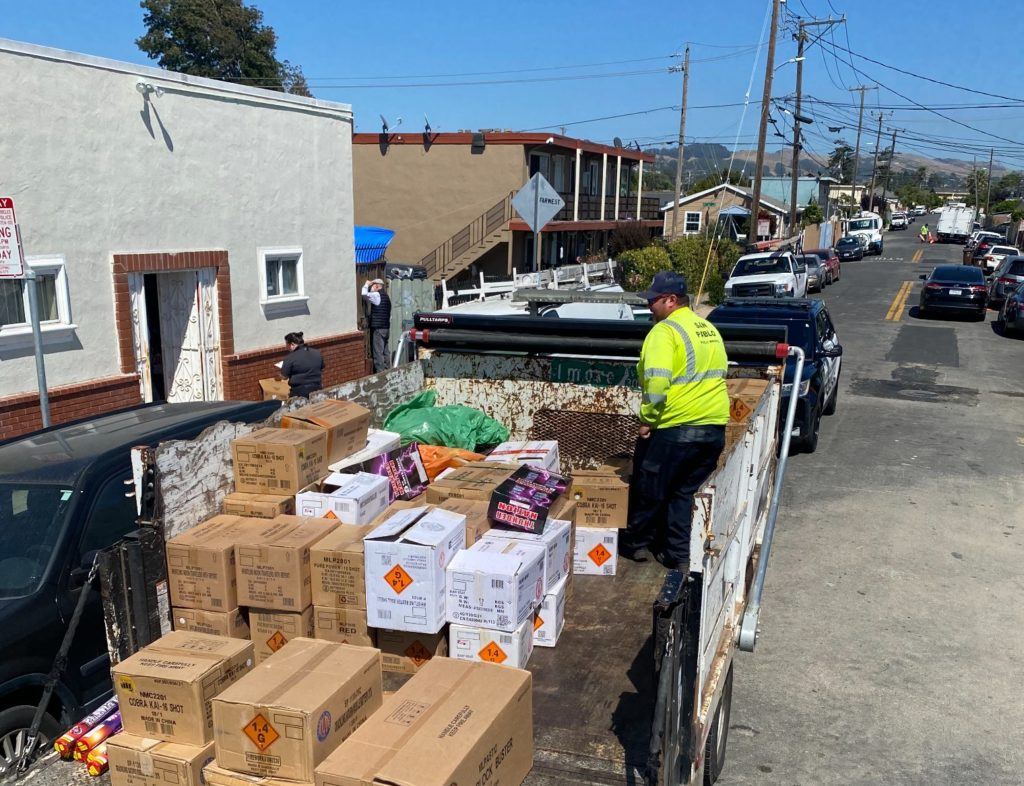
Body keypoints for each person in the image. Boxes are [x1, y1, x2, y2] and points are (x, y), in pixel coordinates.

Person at [620, 271, 730, 572]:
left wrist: (647, 420)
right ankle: (679, 556)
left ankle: (636, 544)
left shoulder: (664, 332)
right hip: (712, 430)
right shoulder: (708, 329)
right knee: (683, 493)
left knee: (649, 487)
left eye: (653, 300)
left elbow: (657, 384)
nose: (649, 306)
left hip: (676, 428)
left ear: (671, 301)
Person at [280, 332, 324, 398]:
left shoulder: (290, 357)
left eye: (286, 344)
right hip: (317, 389)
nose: (286, 346)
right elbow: (321, 367)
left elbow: (284, 377)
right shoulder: (317, 352)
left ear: (292, 344)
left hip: (299, 392)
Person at [361, 278, 392, 373]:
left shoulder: (377, 295)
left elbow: (364, 294)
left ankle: (381, 373)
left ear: (377, 286)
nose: (372, 287)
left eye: (373, 286)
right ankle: (388, 370)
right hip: (386, 328)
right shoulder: (386, 296)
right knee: (386, 352)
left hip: (378, 329)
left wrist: (366, 285)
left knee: (378, 352)